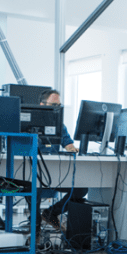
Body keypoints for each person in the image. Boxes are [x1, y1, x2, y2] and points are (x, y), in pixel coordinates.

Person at [37, 89, 86, 228]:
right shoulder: (29, 124)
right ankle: (35, 224)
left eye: (59, 105)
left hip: (55, 172)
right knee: (35, 188)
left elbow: (68, 145)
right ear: (42, 105)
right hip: (34, 172)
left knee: (81, 189)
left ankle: (51, 212)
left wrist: (74, 149)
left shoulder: (59, 125)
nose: (56, 108)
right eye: (53, 104)